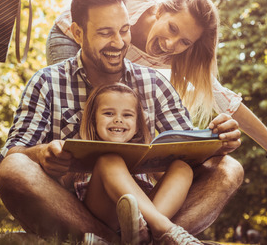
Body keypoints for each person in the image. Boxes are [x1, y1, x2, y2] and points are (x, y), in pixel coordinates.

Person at [7, 0, 267, 177]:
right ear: (160, 10)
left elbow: (227, 102)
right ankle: (57, 186)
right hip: (72, 39)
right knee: (82, 112)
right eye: (171, 29)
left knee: (116, 118)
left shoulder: (175, 56)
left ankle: (115, 198)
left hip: (119, 67)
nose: (170, 44)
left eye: (184, 42)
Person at [0, 0, 243, 244]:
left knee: (229, 168)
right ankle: (120, 240)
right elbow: (14, 152)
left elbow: (188, 152)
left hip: (150, 204)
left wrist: (217, 143)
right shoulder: (46, 82)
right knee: (12, 168)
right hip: (78, 208)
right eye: (105, 33)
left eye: (124, 30)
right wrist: (41, 154)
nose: (118, 42)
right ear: (78, 33)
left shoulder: (154, 84)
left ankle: (156, 235)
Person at [78, 82, 202, 244]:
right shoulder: (81, 151)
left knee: (182, 168)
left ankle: (143, 236)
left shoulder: (145, 156)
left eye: (127, 115)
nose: (118, 120)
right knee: (109, 160)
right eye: (108, 113)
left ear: (137, 126)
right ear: (94, 121)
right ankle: (164, 229)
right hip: (101, 218)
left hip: (143, 217)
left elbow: (171, 183)